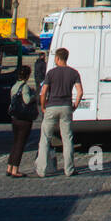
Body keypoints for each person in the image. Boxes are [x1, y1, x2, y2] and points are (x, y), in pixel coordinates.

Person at [35, 48, 83, 178]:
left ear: (57, 58)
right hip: (66, 106)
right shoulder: (74, 73)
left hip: (52, 106)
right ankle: (69, 169)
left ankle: (42, 170)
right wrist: (75, 105)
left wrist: (43, 106)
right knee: (67, 138)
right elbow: (80, 91)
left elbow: (43, 92)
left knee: (45, 138)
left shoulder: (51, 73)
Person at [7, 65, 38, 177]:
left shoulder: (14, 86)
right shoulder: (24, 87)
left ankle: (9, 167)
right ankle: (15, 169)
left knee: (15, 143)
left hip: (15, 118)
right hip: (23, 119)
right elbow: (27, 100)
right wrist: (34, 96)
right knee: (20, 144)